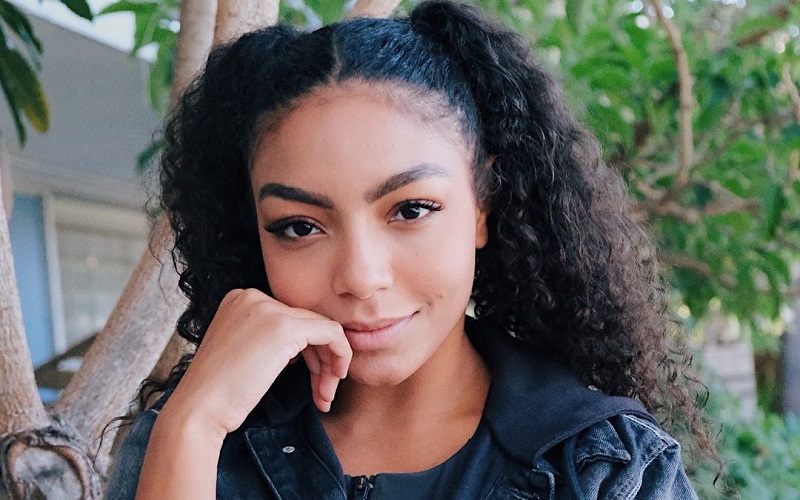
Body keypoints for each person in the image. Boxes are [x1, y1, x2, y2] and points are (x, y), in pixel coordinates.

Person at [106, 1, 715, 498]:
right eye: (299, 227)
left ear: (484, 205)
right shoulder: (194, 438)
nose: (361, 276)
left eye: (411, 210)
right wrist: (192, 427)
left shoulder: (604, 468)